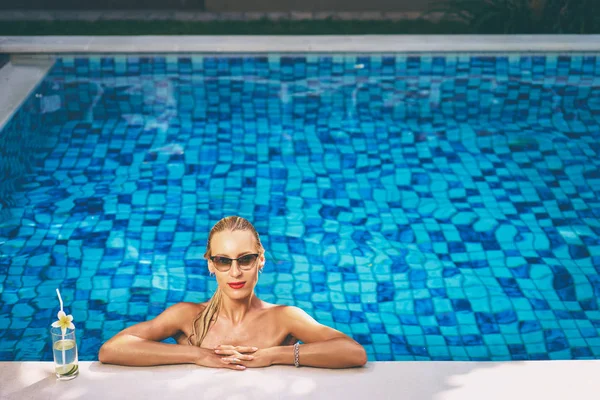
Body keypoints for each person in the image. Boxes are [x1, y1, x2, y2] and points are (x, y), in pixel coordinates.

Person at [99, 216, 367, 370]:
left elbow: (353, 352)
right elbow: (112, 349)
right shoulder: (187, 316)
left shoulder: (284, 318)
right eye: (224, 261)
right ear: (211, 265)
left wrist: (273, 355)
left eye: (245, 259)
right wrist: (196, 355)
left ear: (261, 260)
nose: (235, 272)